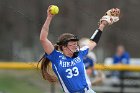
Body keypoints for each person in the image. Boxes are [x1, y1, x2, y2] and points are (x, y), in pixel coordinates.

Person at [38, 5, 120, 93]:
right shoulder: (56, 57)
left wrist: (102, 25)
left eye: (75, 43)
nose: (75, 45)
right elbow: (43, 39)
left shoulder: (80, 53)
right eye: (72, 44)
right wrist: (49, 17)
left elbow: (93, 42)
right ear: (64, 46)